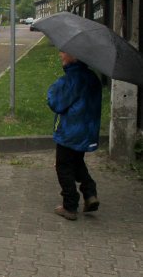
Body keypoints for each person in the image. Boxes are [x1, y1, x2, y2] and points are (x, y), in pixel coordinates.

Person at [47, 51, 102, 221]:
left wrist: (54, 89)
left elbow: (56, 103)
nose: (60, 55)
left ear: (75, 56)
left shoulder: (70, 80)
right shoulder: (92, 77)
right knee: (77, 161)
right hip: (87, 131)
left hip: (70, 131)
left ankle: (70, 206)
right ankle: (90, 192)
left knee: (63, 165)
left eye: (64, 52)